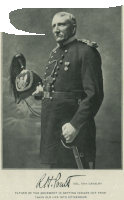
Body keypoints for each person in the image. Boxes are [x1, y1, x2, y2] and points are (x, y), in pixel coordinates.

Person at [33, 12, 104, 169]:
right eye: (54, 26)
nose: (56, 30)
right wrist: (42, 93)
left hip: (74, 128)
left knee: (79, 176)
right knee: (58, 175)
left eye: (61, 24)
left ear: (73, 28)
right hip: (53, 127)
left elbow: (94, 95)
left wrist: (75, 125)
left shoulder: (86, 52)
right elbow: (60, 87)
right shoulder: (54, 53)